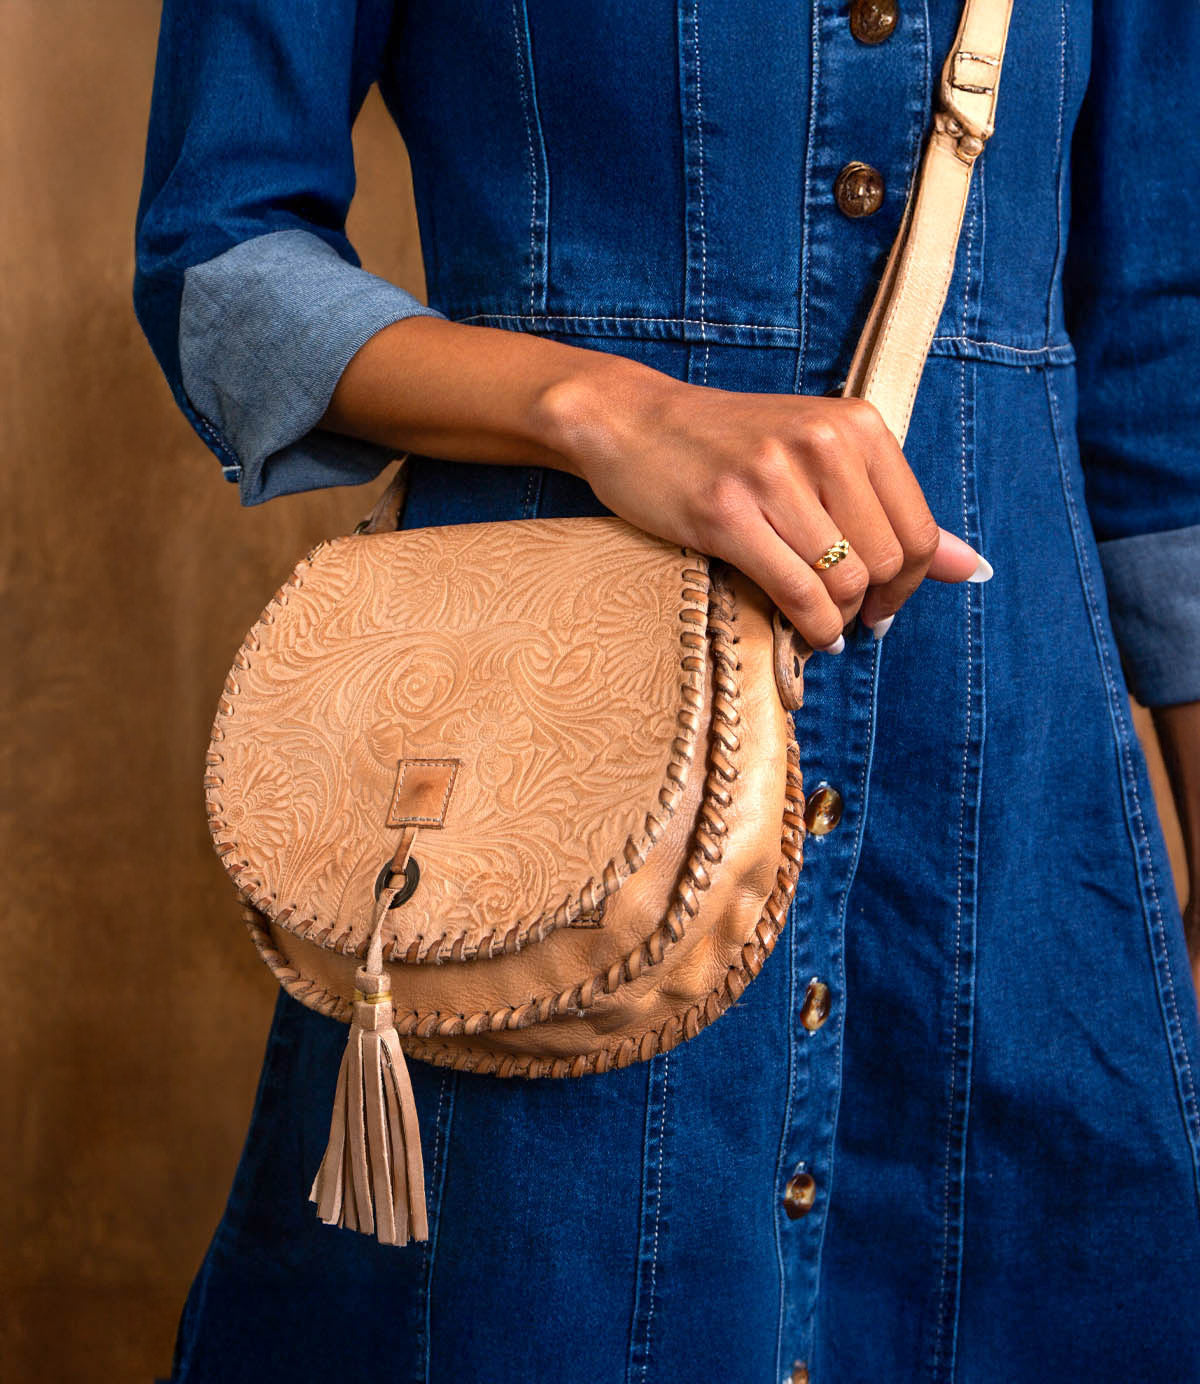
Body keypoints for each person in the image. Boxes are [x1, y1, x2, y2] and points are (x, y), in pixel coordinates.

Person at [133, 1, 1200, 1380]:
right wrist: (610, 408)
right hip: (556, 796)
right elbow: (216, 254)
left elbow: (1162, 371)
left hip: (1018, 840)